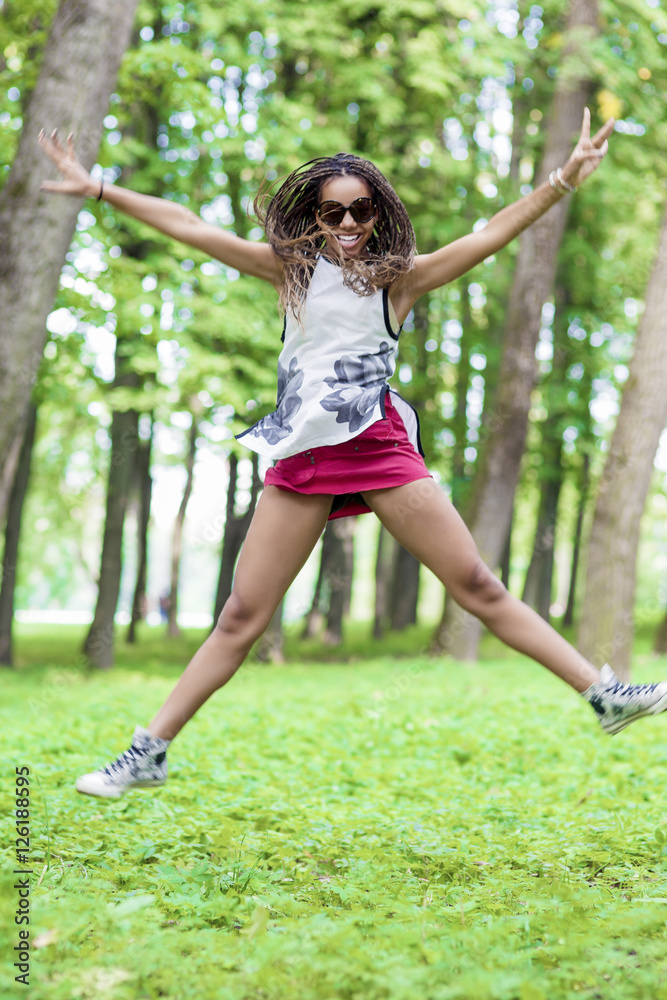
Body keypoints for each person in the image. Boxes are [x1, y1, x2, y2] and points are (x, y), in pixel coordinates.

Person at [38, 110, 667, 800]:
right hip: (303, 454)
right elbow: (188, 225)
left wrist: (560, 182)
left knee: (478, 587)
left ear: (377, 215)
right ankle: (148, 751)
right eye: (331, 211)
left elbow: (489, 233)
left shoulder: (399, 282)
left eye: (359, 211)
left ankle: (602, 693)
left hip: (378, 448)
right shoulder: (288, 274)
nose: (345, 224)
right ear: (312, 215)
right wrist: (99, 188)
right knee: (241, 617)